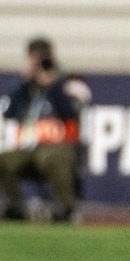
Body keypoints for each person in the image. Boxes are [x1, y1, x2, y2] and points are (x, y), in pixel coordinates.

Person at [0, 37, 89, 222]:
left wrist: (53, 85)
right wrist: (26, 83)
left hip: (60, 146)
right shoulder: (28, 88)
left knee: (49, 157)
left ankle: (68, 209)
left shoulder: (67, 82)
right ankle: (15, 207)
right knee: (4, 160)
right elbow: (11, 113)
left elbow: (71, 112)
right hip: (30, 147)